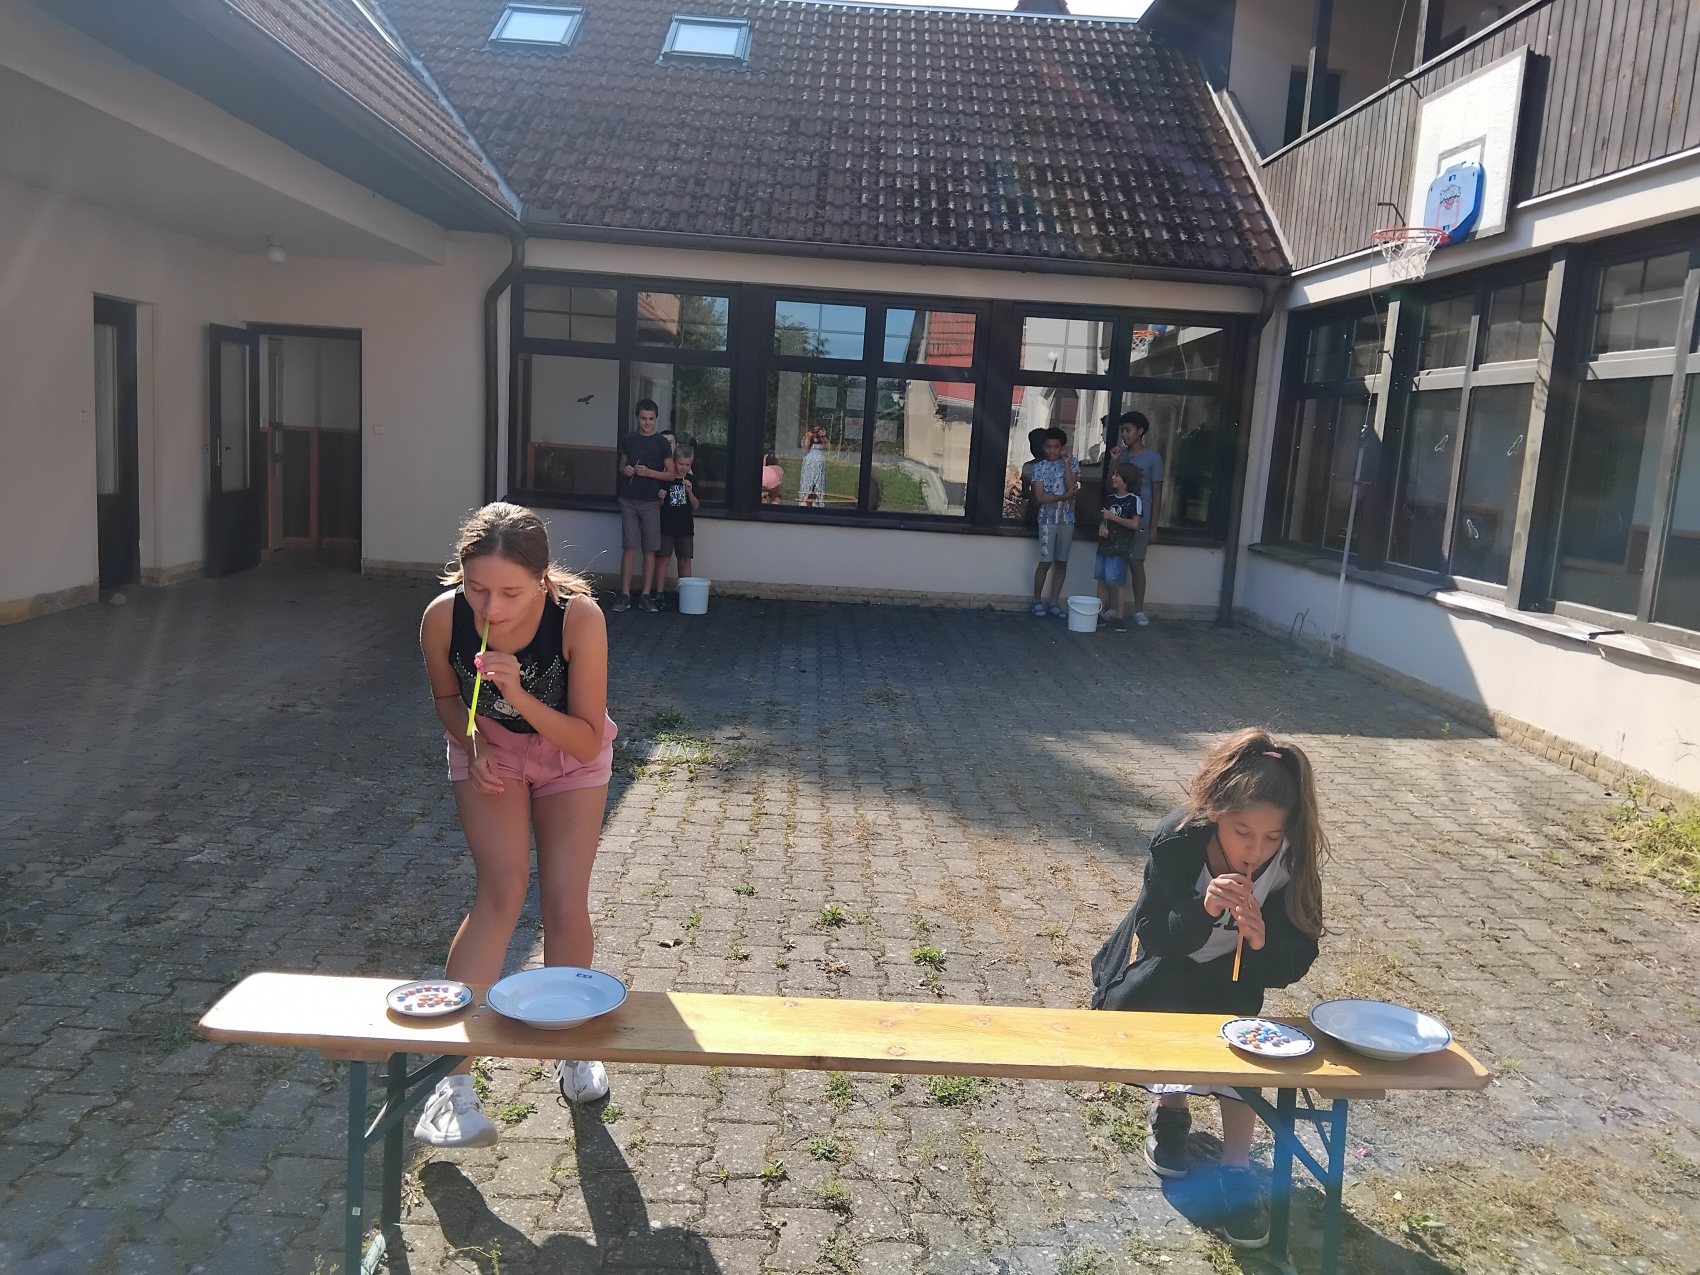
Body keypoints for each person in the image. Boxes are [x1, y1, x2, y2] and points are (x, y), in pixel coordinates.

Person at [415, 503, 620, 1147]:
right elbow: (447, 699)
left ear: (542, 579)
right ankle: (450, 1085)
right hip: (490, 751)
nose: (491, 608)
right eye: (477, 589)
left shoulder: (578, 619)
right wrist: (472, 742)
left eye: (510, 593)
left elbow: (585, 740)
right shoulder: (443, 618)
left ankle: (572, 1050)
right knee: (501, 892)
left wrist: (521, 693)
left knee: (564, 900)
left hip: (567, 753)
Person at [1088, 729, 1327, 1249]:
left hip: (1233, 978)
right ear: (1216, 812)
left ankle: (1236, 1167)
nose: (1255, 850)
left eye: (1271, 837)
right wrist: (1204, 909)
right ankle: (1170, 1113)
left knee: (1240, 1056)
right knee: (1172, 1034)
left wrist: (1262, 943)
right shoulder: (1178, 839)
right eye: (1242, 832)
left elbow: (1298, 957)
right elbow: (1153, 932)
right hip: (1167, 966)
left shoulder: (1291, 859)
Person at [614, 400, 673, 613]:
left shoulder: (662, 443)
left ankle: (646, 596)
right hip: (628, 499)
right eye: (643, 418)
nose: (647, 423)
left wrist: (649, 473)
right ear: (637, 418)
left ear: (656, 419)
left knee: (650, 549)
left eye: (651, 419)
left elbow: (671, 474)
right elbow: (621, 465)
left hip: (651, 502)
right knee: (629, 547)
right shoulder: (629, 439)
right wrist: (626, 470)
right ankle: (625, 595)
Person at [1107, 411, 1164, 627]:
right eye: (1123, 430)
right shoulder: (1120, 455)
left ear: (1140, 432)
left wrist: (1153, 526)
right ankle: (1113, 607)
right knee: (1114, 561)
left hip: (1140, 517)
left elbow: (1157, 492)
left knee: (1136, 563)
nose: (1124, 434)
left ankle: (1139, 610)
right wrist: (1114, 461)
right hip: (1117, 516)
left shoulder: (1153, 458)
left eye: (1128, 430)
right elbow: (1109, 485)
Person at [1029, 427, 1079, 618]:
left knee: (1062, 562)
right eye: (1048, 447)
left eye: (1056, 447)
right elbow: (1040, 497)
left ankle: (1054, 602)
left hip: (1067, 520)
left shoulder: (1072, 463)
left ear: (1062, 447)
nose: (1052, 451)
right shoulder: (1039, 467)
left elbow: (1071, 487)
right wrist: (1062, 497)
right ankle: (1036, 600)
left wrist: (1066, 464)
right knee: (1045, 561)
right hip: (1046, 521)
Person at [1095, 464, 1143, 633]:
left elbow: (1134, 524)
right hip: (1105, 545)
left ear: (1127, 479)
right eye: (1113, 474)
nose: (1113, 478)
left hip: (1121, 547)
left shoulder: (1134, 500)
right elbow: (1104, 519)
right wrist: (1102, 526)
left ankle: (1120, 617)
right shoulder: (1109, 499)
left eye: (1117, 475)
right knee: (1101, 580)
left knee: (1118, 583)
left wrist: (1113, 517)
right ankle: (1100, 614)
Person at [657, 442, 698, 600]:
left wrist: (690, 492)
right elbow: (659, 505)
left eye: (687, 465)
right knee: (663, 559)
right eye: (681, 464)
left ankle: (685, 594)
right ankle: (659, 593)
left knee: (685, 560)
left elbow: (696, 505)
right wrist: (661, 498)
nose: (683, 468)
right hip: (667, 526)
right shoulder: (666, 479)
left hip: (685, 527)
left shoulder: (692, 480)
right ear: (674, 461)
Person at [798, 425, 830, 507]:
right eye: (814, 431)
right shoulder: (807, 437)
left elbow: (828, 448)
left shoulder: (822, 439)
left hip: (819, 465)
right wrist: (809, 437)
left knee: (818, 485)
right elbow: (805, 449)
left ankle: (818, 504)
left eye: (818, 430)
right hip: (809, 465)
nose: (816, 433)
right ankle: (805, 503)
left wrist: (822, 437)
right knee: (807, 484)